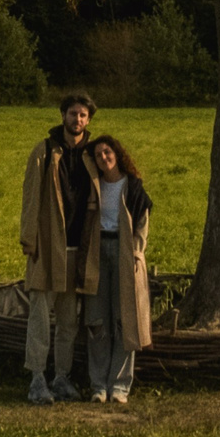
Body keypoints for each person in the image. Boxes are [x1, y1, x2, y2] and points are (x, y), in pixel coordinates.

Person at [18, 92, 101, 403]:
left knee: (68, 318)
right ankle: (37, 378)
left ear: (88, 120)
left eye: (82, 115)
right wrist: (29, 239)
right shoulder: (43, 151)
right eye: (72, 114)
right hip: (47, 247)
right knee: (40, 315)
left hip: (78, 250)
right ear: (63, 116)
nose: (76, 120)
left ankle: (62, 377)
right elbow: (30, 199)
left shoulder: (92, 155)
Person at [80, 133, 153, 404]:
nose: (104, 158)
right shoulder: (93, 185)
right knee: (97, 321)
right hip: (97, 254)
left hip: (124, 254)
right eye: (98, 155)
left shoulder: (132, 186)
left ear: (117, 154)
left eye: (107, 152)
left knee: (124, 320)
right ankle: (98, 386)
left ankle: (120, 387)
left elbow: (143, 221)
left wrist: (137, 251)